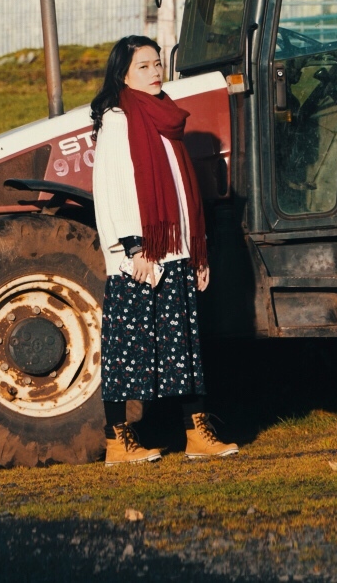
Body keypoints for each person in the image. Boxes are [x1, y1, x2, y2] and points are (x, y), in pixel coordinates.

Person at [90, 34, 238, 465]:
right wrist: (134, 248)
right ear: (123, 74)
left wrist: (198, 251)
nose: (155, 72)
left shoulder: (165, 115)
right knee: (128, 349)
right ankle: (118, 442)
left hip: (176, 250)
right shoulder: (118, 119)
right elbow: (114, 188)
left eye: (157, 64)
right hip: (141, 256)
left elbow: (179, 188)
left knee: (184, 348)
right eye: (144, 66)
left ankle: (196, 435)